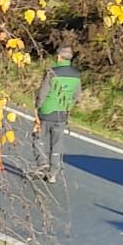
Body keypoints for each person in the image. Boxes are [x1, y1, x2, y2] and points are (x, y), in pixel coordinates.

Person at [33, 44, 81, 180]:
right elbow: (76, 96)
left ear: (59, 57)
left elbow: (43, 93)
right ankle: (53, 173)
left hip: (47, 112)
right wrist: (68, 106)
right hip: (62, 114)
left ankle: (42, 165)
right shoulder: (76, 75)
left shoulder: (51, 72)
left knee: (38, 138)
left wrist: (37, 108)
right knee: (57, 144)